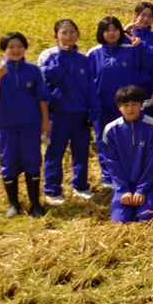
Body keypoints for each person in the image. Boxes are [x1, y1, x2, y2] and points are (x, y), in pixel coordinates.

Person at [0, 32, 53, 218]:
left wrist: (45, 121)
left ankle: (35, 203)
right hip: (6, 126)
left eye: (19, 46)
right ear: (4, 49)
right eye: (11, 47)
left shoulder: (33, 70)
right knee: (9, 163)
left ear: (25, 47)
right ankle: (14, 204)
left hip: (30, 123)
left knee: (32, 161)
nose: (16, 50)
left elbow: (42, 98)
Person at [38, 20, 101, 205]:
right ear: (55, 36)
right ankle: (52, 190)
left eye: (72, 32)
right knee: (54, 153)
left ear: (78, 34)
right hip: (57, 114)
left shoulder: (83, 59)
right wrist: (62, 56)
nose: (69, 36)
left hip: (80, 113)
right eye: (64, 33)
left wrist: (93, 112)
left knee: (81, 152)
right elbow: (47, 83)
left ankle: (80, 186)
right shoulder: (48, 57)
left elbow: (91, 87)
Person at [88, 17, 153, 187]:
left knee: (128, 139)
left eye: (115, 29)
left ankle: (130, 172)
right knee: (104, 140)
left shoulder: (130, 50)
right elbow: (88, 81)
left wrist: (141, 47)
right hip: (103, 105)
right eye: (107, 30)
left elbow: (149, 66)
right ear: (101, 33)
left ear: (120, 32)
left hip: (128, 106)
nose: (111, 33)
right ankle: (108, 176)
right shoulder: (93, 53)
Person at [103, 85, 153, 223]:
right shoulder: (110, 130)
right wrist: (123, 190)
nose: (130, 109)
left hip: (147, 184)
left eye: (134, 104)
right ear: (119, 107)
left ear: (141, 105)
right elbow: (111, 162)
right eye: (126, 105)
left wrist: (141, 189)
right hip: (122, 184)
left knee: (146, 217)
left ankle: (148, 197)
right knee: (120, 220)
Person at [125, 2, 153, 128]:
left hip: (149, 88)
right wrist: (125, 30)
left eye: (150, 16)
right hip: (129, 88)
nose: (146, 19)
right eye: (143, 15)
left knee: (152, 125)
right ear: (135, 15)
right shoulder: (125, 35)